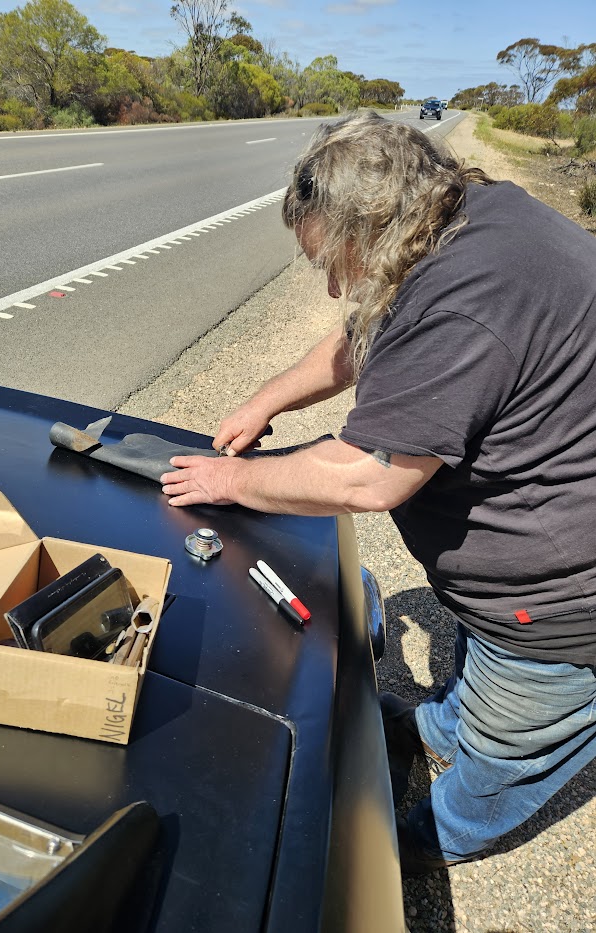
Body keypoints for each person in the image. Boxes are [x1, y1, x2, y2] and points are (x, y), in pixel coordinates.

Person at [159, 110, 596, 873]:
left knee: (511, 741)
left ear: (380, 230)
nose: (333, 286)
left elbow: (369, 476)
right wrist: (267, 399)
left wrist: (232, 478)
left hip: (560, 590)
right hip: (536, 529)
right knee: (480, 665)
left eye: (337, 263)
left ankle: (437, 836)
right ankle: (443, 729)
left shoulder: (463, 300)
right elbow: (368, 326)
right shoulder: (461, 214)